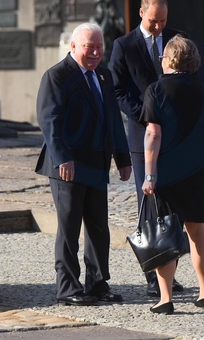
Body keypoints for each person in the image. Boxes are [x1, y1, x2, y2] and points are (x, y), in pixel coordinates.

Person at [35, 22, 132, 306]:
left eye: (99, 47)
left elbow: (114, 119)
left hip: (97, 163)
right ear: (74, 46)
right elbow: (49, 121)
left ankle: (98, 283)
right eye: (89, 47)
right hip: (68, 165)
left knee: (99, 227)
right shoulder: (56, 76)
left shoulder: (103, 75)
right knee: (69, 227)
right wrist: (62, 157)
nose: (95, 52)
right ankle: (67, 287)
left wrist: (123, 159)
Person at [140, 35, 204, 314]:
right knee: (198, 233)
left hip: (166, 174)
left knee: (165, 234)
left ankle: (166, 299)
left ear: (169, 60)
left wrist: (149, 175)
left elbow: (153, 135)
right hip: (196, 172)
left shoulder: (155, 90)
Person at [109, 0, 186, 297]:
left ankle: (170, 273)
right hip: (142, 136)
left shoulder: (177, 40)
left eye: (163, 21)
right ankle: (153, 276)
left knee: (174, 206)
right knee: (150, 203)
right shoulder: (124, 45)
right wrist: (147, 114)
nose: (158, 27)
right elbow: (117, 91)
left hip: (175, 137)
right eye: (154, 21)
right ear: (141, 13)